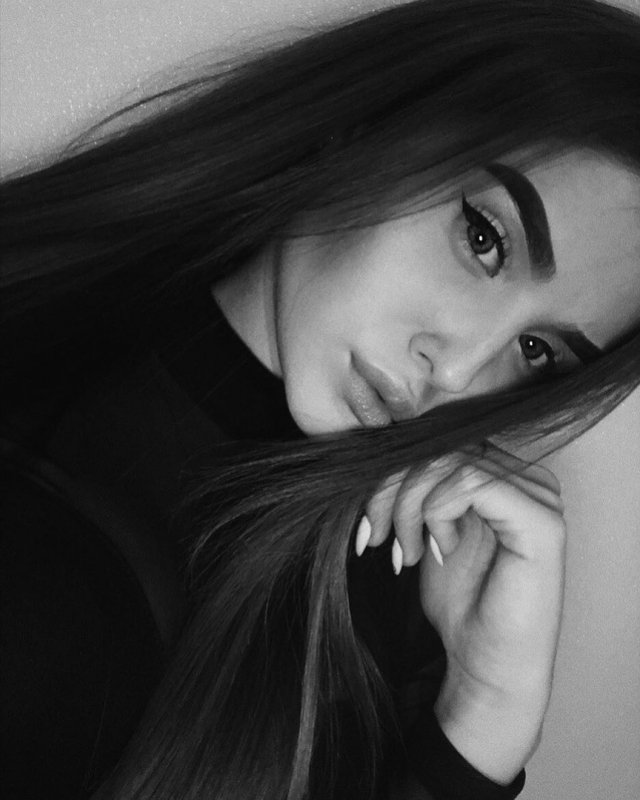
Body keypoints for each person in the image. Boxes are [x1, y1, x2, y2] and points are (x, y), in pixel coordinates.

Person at [1, 0, 639, 798]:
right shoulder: (49, 540)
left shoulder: (414, 586)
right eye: (484, 239)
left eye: (537, 351)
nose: (457, 373)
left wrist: (485, 711)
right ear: (366, 126)